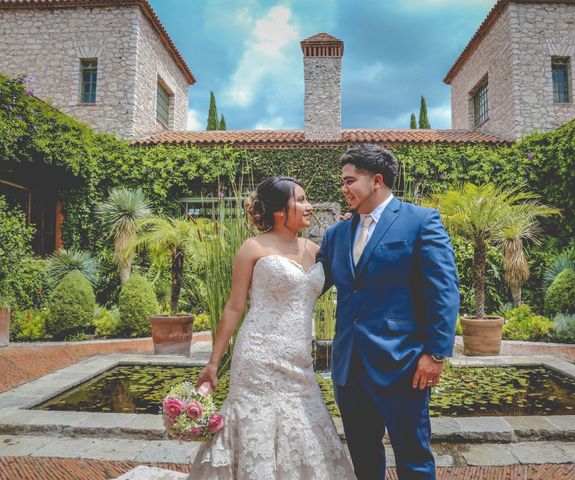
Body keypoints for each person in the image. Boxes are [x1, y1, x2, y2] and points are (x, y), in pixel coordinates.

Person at [115, 176, 355, 480]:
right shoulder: (252, 248)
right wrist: (213, 363)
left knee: (305, 424)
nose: (309, 207)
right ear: (280, 210)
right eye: (302, 200)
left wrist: (350, 227)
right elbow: (233, 307)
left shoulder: (316, 250)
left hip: (300, 361)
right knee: (255, 423)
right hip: (258, 356)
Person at [318, 144, 460, 479]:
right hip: (349, 368)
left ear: (376, 180)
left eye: (350, 180)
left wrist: (436, 354)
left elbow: (444, 289)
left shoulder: (421, 221)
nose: (344, 188)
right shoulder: (335, 234)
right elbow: (311, 281)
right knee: (365, 460)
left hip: (403, 364)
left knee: (413, 457)